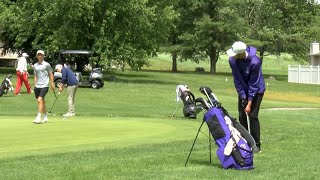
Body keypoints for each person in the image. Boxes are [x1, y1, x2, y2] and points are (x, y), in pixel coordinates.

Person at [227, 41, 265, 153]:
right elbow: (237, 79)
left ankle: (256, 145)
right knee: (242, 116)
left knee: (252, 115)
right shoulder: (233, 60)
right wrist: (243, 96)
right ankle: (244, 142)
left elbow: (254, 84)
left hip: (257, 90)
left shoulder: (255, 62)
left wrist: (249, 103)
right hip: (243, 89)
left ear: (240, 54)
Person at [33, 50, 55, 124]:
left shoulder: (47, 65)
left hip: (45, 85)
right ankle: (45, 117)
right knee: (42, 102)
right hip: (37, 86)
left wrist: (52, 83)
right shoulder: (35, 65)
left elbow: (51, 74)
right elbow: (35, 75)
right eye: (38, 55)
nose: (40, 56)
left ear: (43, 56)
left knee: (39, 100)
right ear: (36, 56)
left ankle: (39, 117)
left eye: (41, 55)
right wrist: (35, 85)